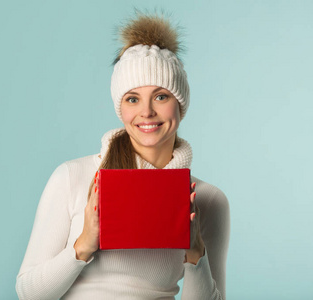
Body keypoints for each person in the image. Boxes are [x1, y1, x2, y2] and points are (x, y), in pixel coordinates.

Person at [16, 11, 230, 300]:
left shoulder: (206, 199)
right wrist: (83, 245)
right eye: (133, 99)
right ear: (122, 108)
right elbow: (30, 293)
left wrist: (195, 254)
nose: (147, 112)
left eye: (161, 96)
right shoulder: (73, 176)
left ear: (180, 105)